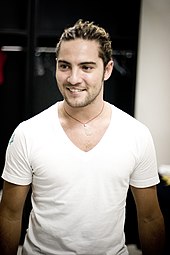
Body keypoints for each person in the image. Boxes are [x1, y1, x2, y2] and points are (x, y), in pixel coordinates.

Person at [0, 19, 165, 255]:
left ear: (107, 69)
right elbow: (9, 214)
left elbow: (149, 218)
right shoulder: (27, 133)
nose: (73, 78)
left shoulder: (136, 134)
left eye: (86, 67)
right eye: (65, 66)